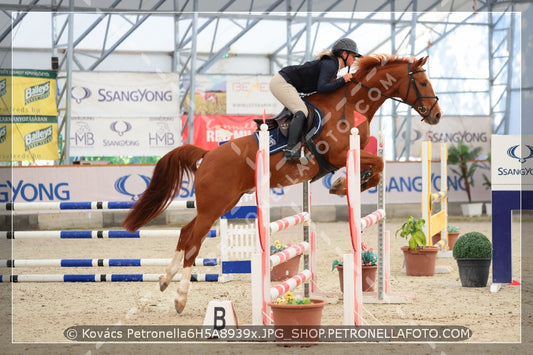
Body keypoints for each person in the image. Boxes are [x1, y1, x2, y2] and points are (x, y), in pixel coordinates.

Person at [270, 38, 362, 161]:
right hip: (282, 82)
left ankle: (300, 145)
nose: (354, 59)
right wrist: (343, 79)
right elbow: (322, 88)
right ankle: (290, 150)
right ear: (344, 54)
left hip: (288, 83)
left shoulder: (333, 65)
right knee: (301, 111)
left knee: (304, 110)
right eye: (353, 55)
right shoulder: (330, 64)